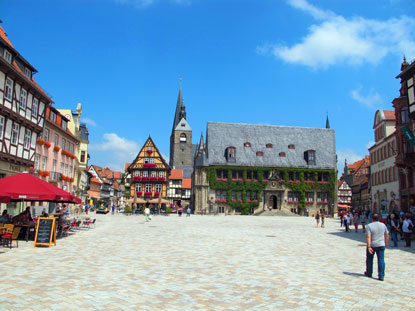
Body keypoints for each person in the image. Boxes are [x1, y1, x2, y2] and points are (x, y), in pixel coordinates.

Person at [364, 213, 389, 281]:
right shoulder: (383, 225)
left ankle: (369, 272)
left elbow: (368, 236)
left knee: (369, 259)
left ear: (372, 218)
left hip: (372, 245)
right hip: (381, 244)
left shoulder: (369, 226)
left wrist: (369, 246)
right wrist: (386, 243)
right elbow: (387, 234)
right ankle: (381, 275)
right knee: (381, 260)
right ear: (379, 218)